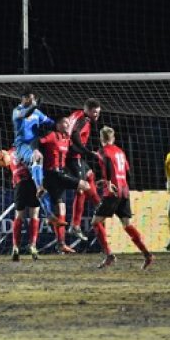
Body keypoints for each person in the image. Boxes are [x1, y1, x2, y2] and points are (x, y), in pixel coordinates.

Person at [90, 126, 153, 269]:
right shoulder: (121, 152)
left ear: (101, 139)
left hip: (113, 192)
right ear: (113, 138)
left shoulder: (103, 151)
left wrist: (109, 183)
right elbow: (128, 172)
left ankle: (109, 255)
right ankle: (147, 254)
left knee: (95, 222)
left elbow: (108, 166)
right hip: (124, 190)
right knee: (127, 224)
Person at [39, 117, 92, 253]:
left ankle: (60, 244)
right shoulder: (52, 135)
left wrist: (90, 153)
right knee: (85, 186)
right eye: (64, 122)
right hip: (53, 174)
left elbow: (76, 150)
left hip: (61, 175)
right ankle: (74, 224)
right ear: (57, 124)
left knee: (61, 210)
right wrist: (34, 152)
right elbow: (38, 142)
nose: (67, 125)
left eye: (68, 124)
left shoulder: (67, 140)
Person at [12, 89, 55, 215]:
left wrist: (62, 125)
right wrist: (35, 105)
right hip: (22, 146)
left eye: (32, 98)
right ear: (23, 99)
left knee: (41, 179)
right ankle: (39, 188)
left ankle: (49, 214)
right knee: (37, 156)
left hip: (34, 146)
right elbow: (25, 114)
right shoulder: (17, 111)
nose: (31, 101)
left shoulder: (37, 112)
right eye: (28, 98)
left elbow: (50, 122)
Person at [65, 99, 103, 240]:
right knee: (82, 188)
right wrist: (86, 151)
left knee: (90, 175)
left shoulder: (77, 114)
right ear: (87, 110)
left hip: (74, 154)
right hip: (72, 156)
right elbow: (74, 135)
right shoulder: (85, 120)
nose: (96, 116)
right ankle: (75, 225)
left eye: (98, 113)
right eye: (95, 112)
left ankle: (99, 204)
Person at [7, 147, 41, 261]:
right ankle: (33, 245)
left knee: (19, 216)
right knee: (34, 215)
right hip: (32, 182)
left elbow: (3, 162)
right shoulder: (29, 149)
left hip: (19, 184)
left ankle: (15, 248)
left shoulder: (9, 153)